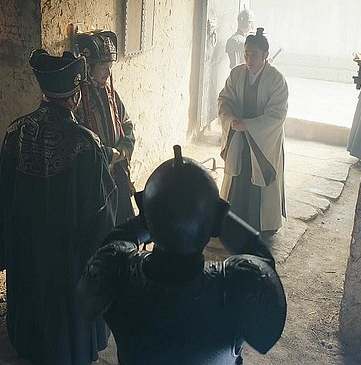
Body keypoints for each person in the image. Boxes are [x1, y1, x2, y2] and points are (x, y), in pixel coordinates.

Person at [78, 146, 287, 365]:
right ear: (217, 218)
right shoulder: (238, 285)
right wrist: (215, 215)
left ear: (145, 214)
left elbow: (114, 241)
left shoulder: (116, 268)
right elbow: (262, 265)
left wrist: (152, 213)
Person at [0, 49, 117, 365]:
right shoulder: (85, 143)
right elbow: (99, 212)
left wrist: (2, 246)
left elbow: (3, 199)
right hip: (66, 254)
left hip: (26, 245)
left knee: (31, 291)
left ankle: (30, 345)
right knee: (65, 305)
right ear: (75, 95)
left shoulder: (15, 132)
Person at [218, 27, 288, 239]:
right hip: (239, 137)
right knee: (238, 176)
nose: (249, 60)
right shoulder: (236, 74)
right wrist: (230, 120)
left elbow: (277, 114)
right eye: (246, 54)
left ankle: (264, 225)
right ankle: (232, 221)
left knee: (261, 178)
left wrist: (249, 125)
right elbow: (225, 100)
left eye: (254, 55)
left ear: (266, 55)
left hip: (264, 141)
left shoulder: (276, 79)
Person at [74, 30, 137, 223]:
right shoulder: (77, 100)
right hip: (95, 178)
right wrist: (106, 155)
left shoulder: (111, 95)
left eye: (110, 67)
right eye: (103, 67)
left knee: (125, 222)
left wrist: (123, 150)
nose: (108, 73)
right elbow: (77, 139)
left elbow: (127, 124)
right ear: (88, 68)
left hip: (118, 173)